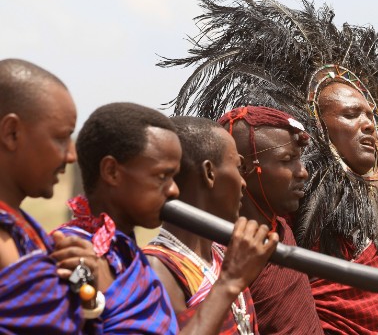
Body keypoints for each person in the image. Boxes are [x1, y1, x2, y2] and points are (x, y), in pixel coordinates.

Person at [161, 0, 378, 334]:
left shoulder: (364, 211)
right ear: (318, 129)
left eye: (370, 116)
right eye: (350, 115)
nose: (368, 126)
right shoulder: (287, 209)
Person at [56, 102, 277, 334]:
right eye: (161, 176)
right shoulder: (73, 251)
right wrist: (230, 282)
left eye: (173, 176)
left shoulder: (127, 256)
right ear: (112, 172)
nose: (173, 190)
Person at [187, 106, 321, 335]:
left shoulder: (282, 227)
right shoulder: (224, 254)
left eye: (298, 159)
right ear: (243, 167)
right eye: (287, 160)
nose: (302, 172)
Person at [0, 58, 104, 333]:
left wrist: (84, 284)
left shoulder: (26, 229)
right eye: (61, 138)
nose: (71, 156)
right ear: (11, 133)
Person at [143, 116, 261, 332]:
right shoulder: (158, 269)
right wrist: (230, 282)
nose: (243, 182)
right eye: (237, 167)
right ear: (209, 173)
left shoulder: (224, 255)